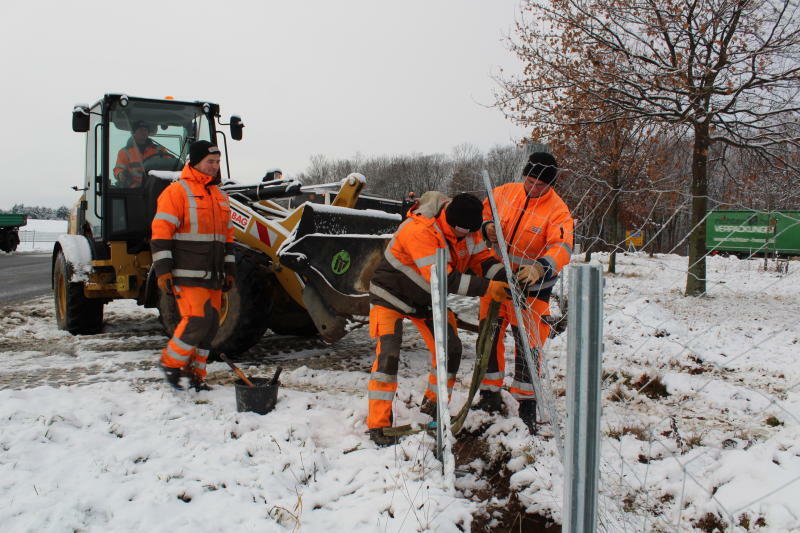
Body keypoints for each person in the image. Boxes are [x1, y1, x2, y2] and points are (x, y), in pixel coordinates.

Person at [366, 192, 511, 446]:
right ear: (448, 218)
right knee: (387, 357)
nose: (464, 236)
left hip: (426, 299)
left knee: (451, 349)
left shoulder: (471, 229)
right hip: (391, 295)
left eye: (469, 232)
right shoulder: (420, 230)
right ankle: (378, 426)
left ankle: (433, 407)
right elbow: (446, 279)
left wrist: (506, 276)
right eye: (459, 231)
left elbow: (482, 261)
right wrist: (488, 288)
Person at [477, 152, 574, 433]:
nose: (534, 188)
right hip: (497, 282)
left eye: (540, 185)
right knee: (488, 336)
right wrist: (488, 226)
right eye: (530, 181)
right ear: (524, 176)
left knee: (528, 345)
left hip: (533, 288)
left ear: (550, 185)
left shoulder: (557, 210)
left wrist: (540, 268)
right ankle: (489, 394)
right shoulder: (505, 193)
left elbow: (562, 247)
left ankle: (527, 403)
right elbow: (484, 211)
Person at [150, 141, 235, 391]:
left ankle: (196, 375)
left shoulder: (220, 196)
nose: (215, 167)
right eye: (210, 162)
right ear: (195, 162)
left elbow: (228, 239)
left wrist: (230, 271)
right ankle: (171, 364)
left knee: (210, 326)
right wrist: (163, 269)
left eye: (218, 162)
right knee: (196, 319)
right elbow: (161, 232)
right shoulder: (176, 192)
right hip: (187, 272)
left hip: (214, 275)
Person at [114, 120, 174, 187]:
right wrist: (121, 174)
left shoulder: (160, 150)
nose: (144, 132)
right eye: (140, 130)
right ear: (134, 132)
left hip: (156, 188)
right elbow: (118, 169)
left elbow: (170, 164)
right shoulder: (124, 152)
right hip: (133, 190)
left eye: (145, 130)